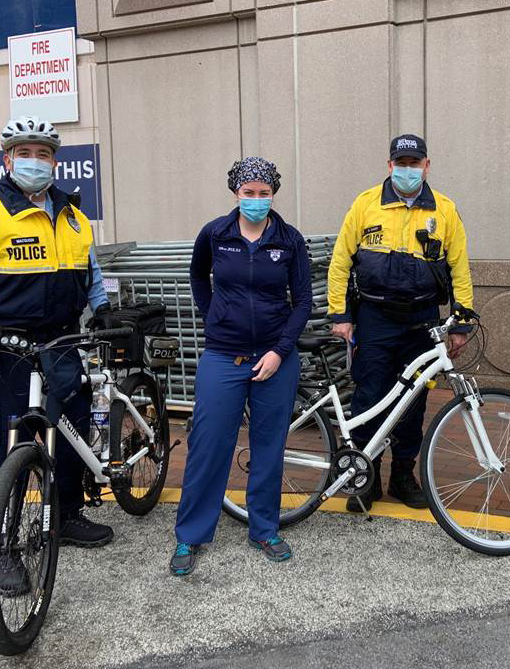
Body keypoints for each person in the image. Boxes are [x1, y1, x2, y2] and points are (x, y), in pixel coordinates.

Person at [0, 115, 117, 594]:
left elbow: (89, 273)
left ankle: (68, 514)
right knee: (2, 446)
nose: (35, 161)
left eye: (44, 153)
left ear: (55, 160)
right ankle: (3, 547)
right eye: (24, 152)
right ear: (7, 158)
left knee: (70, 429)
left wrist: (102, 310)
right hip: (3, 349)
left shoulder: (72, 214)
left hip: (60, 344)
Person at [170, 157, 312, 576]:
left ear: (273, 194)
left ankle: (264, 529)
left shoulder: (289, 239)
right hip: (222, 355)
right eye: (248, 193)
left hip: (274, 358)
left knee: (269, 446)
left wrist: (280, 351)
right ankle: (190, 535)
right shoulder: (215, 234)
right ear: (236, 193)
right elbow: (198, 276)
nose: (255, 200)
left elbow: (302, 300)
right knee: (209, 445)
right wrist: (213, 314)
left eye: (263, 193)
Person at [326, 134, 474, 513]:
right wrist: (340, 315)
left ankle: (403, 476)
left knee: (414, 400)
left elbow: (459, 267)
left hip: (422, 320)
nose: (408, 170)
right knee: (369, 395)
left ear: (427, 165)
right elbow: (341, 261)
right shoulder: (365, 205)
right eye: (401, 163)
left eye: (415, 163)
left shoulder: (444, 210)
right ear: (389, 165)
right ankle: (366, 475)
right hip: (374, 319)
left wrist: (460, 322)